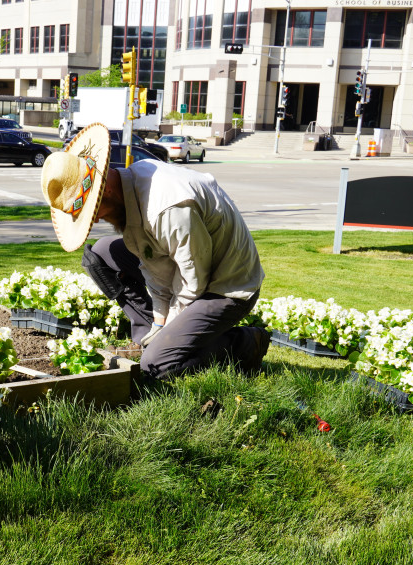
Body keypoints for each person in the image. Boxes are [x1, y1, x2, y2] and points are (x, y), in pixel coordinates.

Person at [39, 123, 269, 380]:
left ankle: (245, 343)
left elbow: (193, 281)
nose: (98, 220)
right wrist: (159, 323)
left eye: (95, 211)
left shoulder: (166, 207)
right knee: (100, 253)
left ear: (108, 190)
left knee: (156, 367)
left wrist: (170, 325)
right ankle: (153, 337)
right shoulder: (132, 194)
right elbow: (156, 267)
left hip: (226, 287)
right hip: (191, 271)